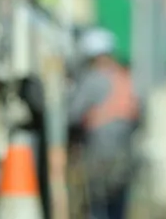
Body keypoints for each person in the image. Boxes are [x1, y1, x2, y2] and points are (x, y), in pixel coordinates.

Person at [68, 27, 141, 219]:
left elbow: (73, 113)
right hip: (125, 155)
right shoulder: (124, 77)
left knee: (98, 208)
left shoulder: (94, 79)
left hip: (100, 155)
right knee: (117, 210)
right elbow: (138, 116)